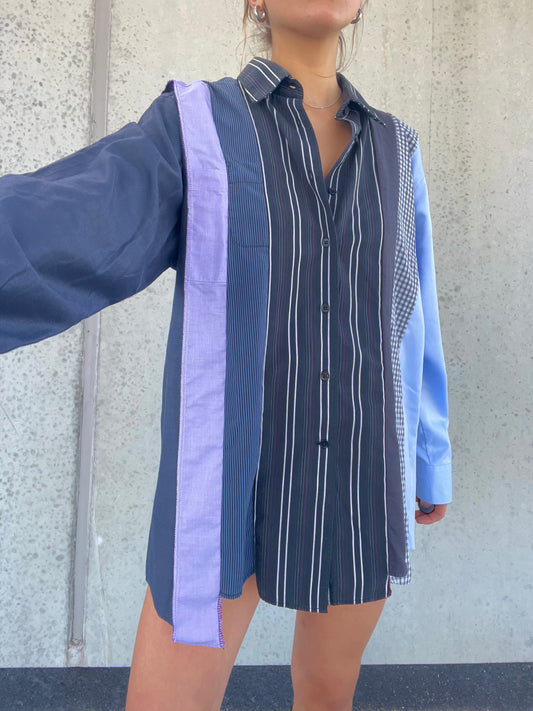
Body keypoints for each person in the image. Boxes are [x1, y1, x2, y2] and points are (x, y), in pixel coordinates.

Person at [0, 0, 452, 709]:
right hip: (228, 481)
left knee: (328, 692)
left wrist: (428, 455)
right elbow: (70, 219)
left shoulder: (398, 148)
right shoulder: (197, 124)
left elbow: (410, 308)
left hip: (364, 469)